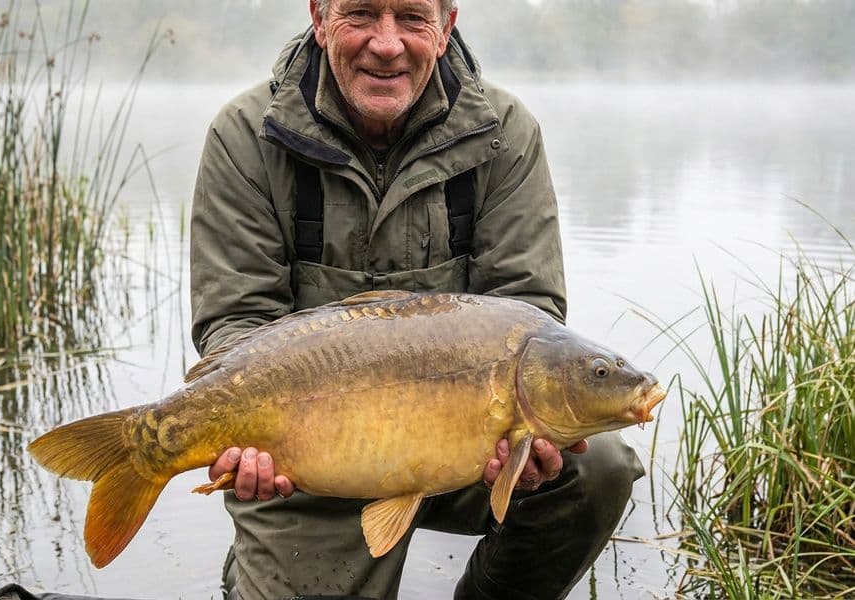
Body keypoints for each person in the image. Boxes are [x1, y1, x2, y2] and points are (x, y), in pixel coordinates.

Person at [189, 1, 645, 598]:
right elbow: (237, 320)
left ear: (446, 25)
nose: (387, 43)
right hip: (313, 460)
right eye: (361, 14)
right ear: (319, 18)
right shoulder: (245, 135)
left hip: (472, 448)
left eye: (411, 16)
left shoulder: (504, 133)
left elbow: (529, 311)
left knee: (597, 466)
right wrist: (250, 443)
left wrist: (526, 445)